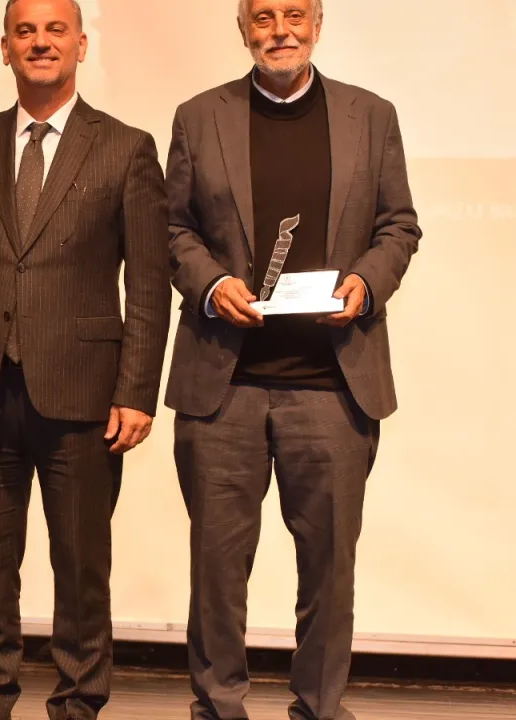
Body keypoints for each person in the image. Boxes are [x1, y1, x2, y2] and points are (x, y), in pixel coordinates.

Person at [163, 2, 422, 718]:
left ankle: (318, 708)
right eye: (264, 16)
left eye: (294, 14)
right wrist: (212, 286)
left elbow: (398, 225)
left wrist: (366, 283)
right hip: (225, 386)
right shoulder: (198, 117)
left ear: (318, 22)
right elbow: (173, 227)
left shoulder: (372, 116)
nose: (280, 29)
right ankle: (218, 708)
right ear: (243, 28)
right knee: (217, 573)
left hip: (333, 386)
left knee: (330, 573)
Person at [0, 0, 171, 717]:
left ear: (81, 45)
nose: (40, 42)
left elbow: (149, 284)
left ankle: (79, 702)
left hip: (84, 394)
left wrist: (137, 391)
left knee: (82, 565)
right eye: (24, 31)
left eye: (55, 30)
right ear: (4, 48)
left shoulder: (126, 147)